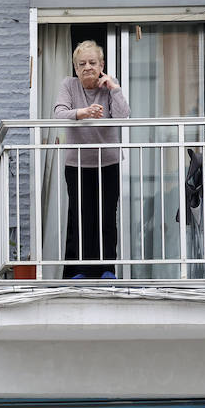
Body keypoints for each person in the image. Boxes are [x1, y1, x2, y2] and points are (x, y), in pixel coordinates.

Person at [53, 40, 129, 279]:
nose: (87, 67)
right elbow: (58, 114)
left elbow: (123, 116)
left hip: (107, 162)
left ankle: (107, 270)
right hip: (77, 163)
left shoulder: (109, 87)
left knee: (106, 216)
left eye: (92, 62)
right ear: (75, 68)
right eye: (82, 63)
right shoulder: (69, 85)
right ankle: (81, 271)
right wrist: (81, 113)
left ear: (101, 65)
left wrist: (114, 89)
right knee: (81, 216)